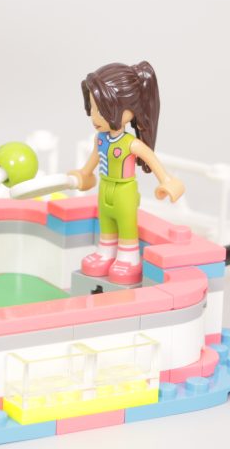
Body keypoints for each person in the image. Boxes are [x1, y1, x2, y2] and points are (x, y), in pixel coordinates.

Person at [68, 62, 185, 285]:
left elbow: (152, 160)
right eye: (93, 109)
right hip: (105, 187)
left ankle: (129, 257)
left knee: (126, 222)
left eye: (101, 110)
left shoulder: (131, 144)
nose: (95, 117)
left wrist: (166, 181)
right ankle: (105, 252)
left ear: (128, 110)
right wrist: (84, 173)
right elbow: (93, 160)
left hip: (124, 190)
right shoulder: (100, 139)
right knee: (106, 221)